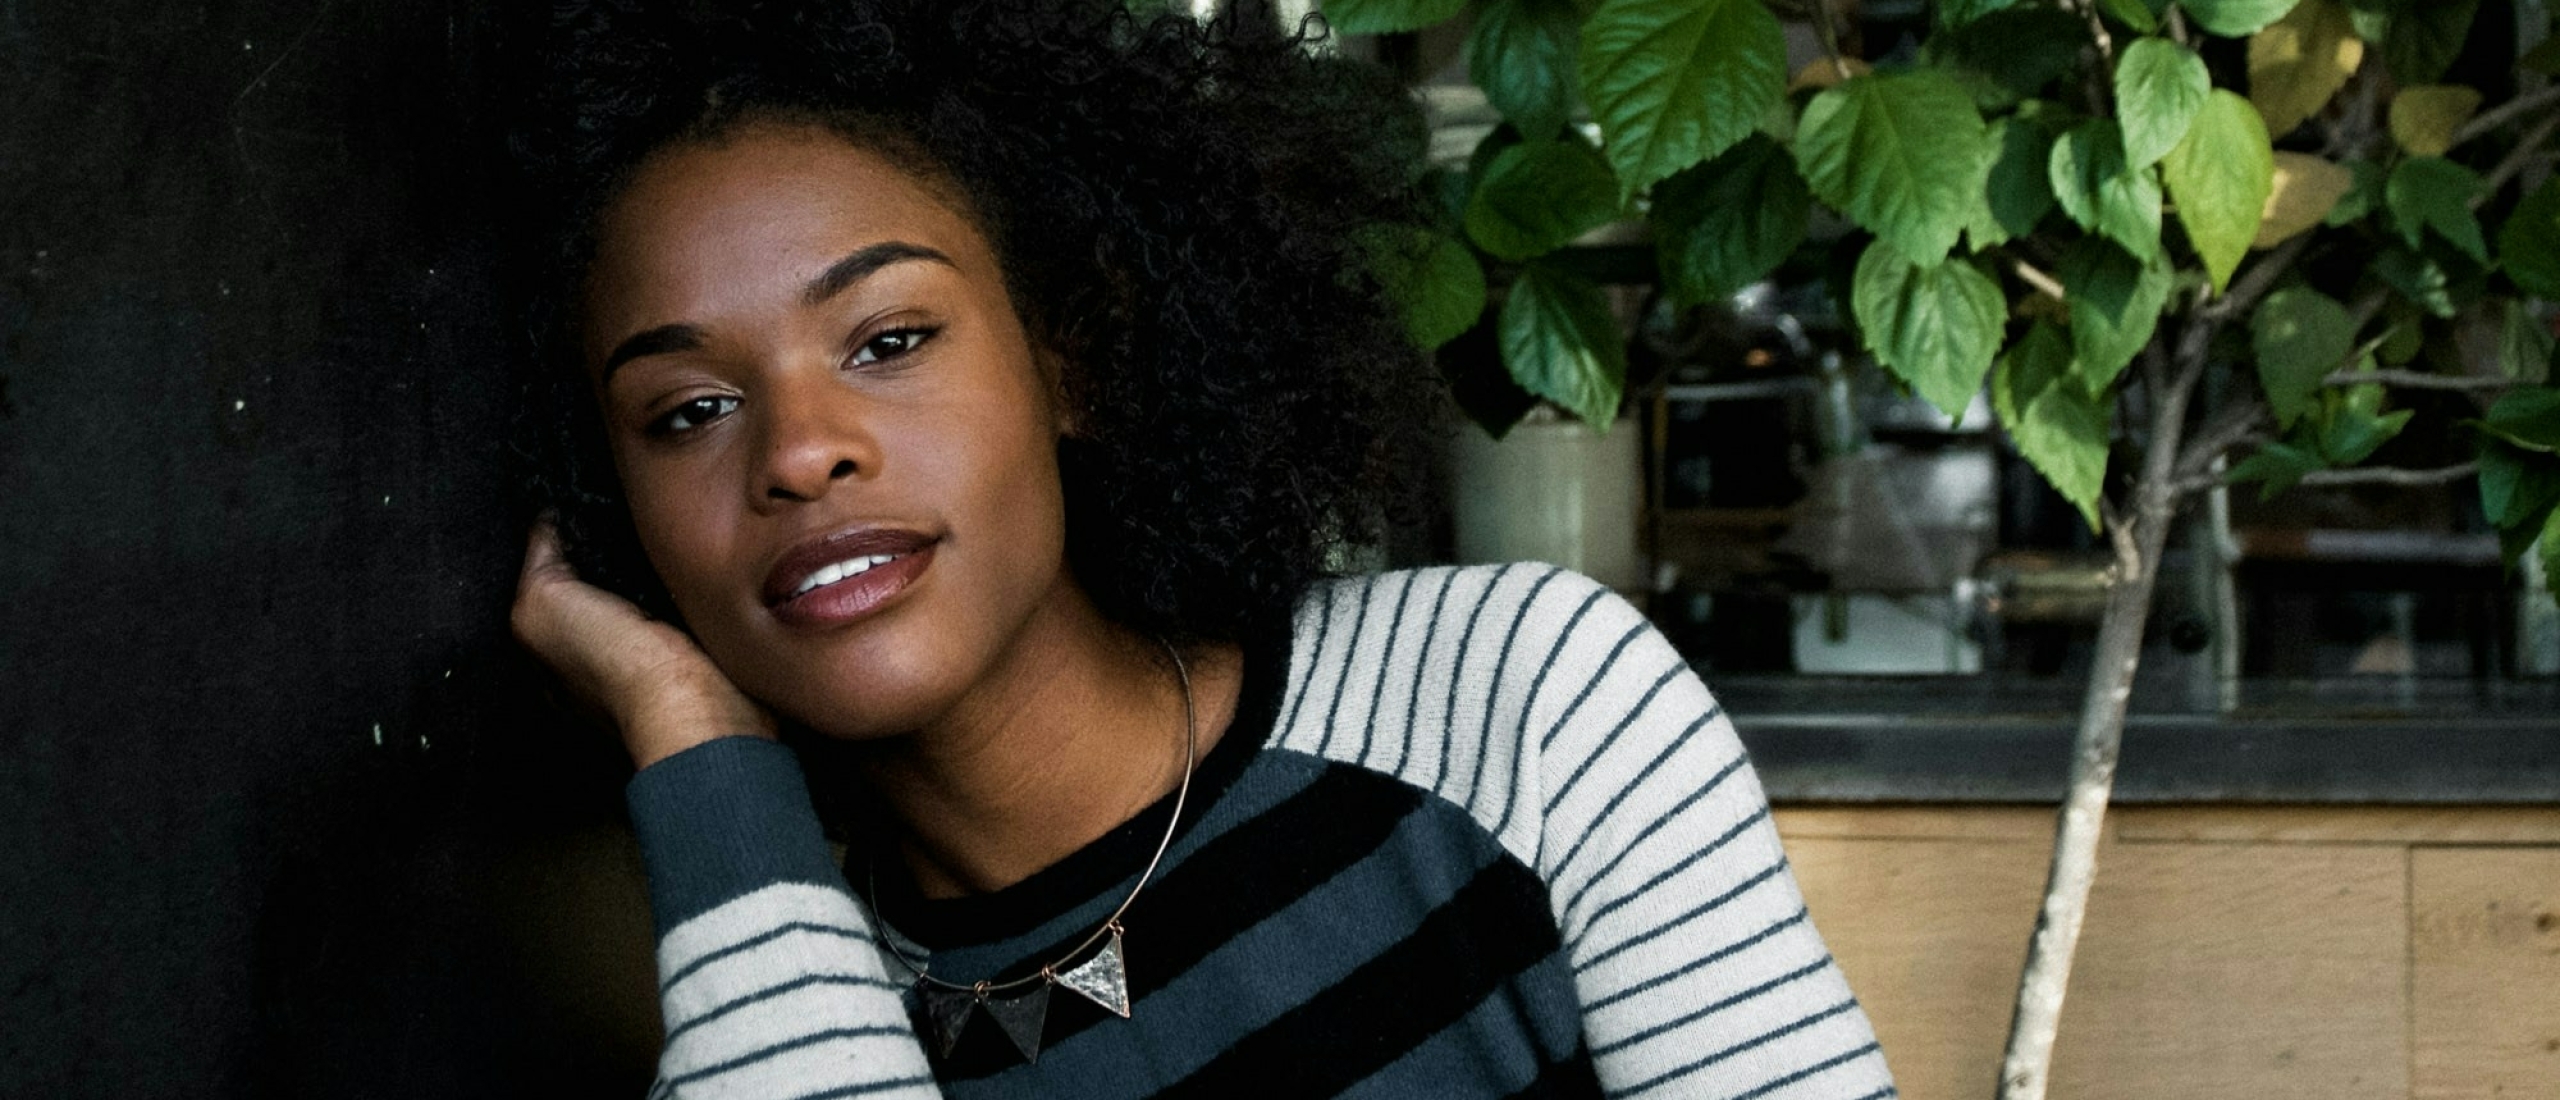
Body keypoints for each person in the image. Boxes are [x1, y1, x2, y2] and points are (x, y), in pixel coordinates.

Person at [508, 1, 1896, 1096]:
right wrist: (698, 745)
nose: (801, 452)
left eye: (890, 340)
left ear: (1071, 361)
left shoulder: (1515, 707)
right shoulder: (774, 983)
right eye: (688, 411)